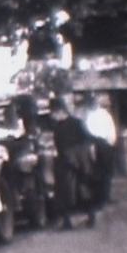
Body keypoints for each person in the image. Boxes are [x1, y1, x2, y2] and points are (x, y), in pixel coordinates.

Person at [46, 97, 96, 229]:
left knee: (64, 192)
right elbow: (88, 140)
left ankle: (67, 221)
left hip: (67, 161)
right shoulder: (78, 123)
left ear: (59, 111)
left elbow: (59, 147)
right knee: (83, 189)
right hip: (81, 161)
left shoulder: (58, 128)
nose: (52, 116)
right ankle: (90, 216)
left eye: (53, 112)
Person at [82, 93, 117, 206]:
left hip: (103, 144)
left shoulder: (100, 115)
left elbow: (110, 128)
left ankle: (104, 196)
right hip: (99, 144)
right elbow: (90, 132)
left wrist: (110, 141)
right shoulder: (93, 115)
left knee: (104, 172)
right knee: (102, 172)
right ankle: (102, 197)